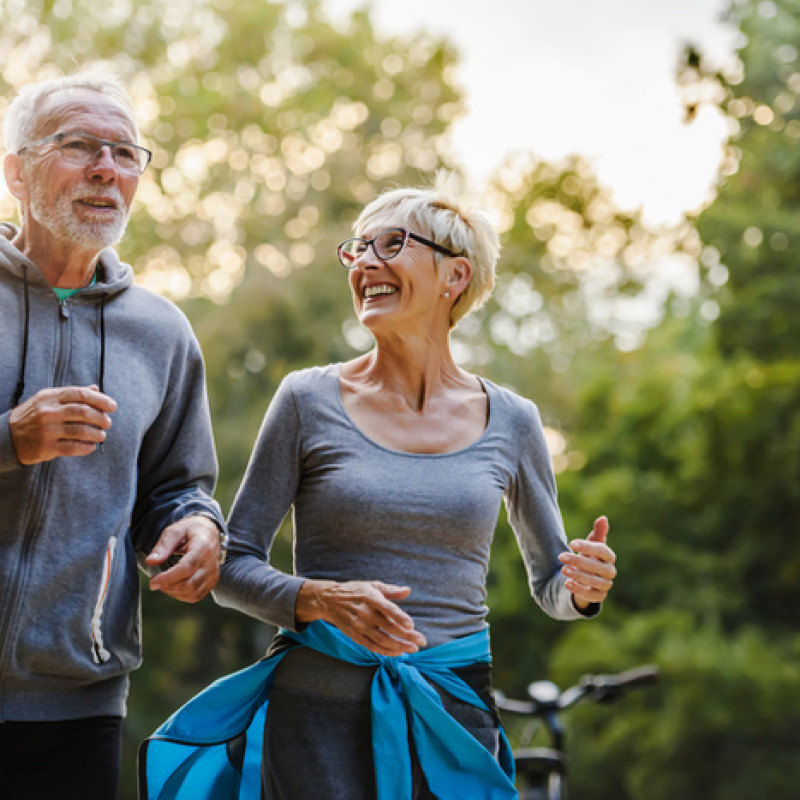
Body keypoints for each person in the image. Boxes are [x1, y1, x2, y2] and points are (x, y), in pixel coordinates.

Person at [141, 175, 616, 800]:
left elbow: (551, 586)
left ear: (456, 277)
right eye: (358, 248)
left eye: (392, 244)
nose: (365, 262)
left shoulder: (514, 420)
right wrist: (321, 598)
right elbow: (230, 566)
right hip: (316, 714)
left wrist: (583, 588)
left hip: (454, 712)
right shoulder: (306, 399)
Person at [0, 72, 226, 800]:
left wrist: (195, 526)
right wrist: (11, 440)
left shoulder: (160, 332)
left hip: (77, 700)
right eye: (79, 146)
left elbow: (178, 484)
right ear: (15, 168)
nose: (107, 168)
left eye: (126, 154)